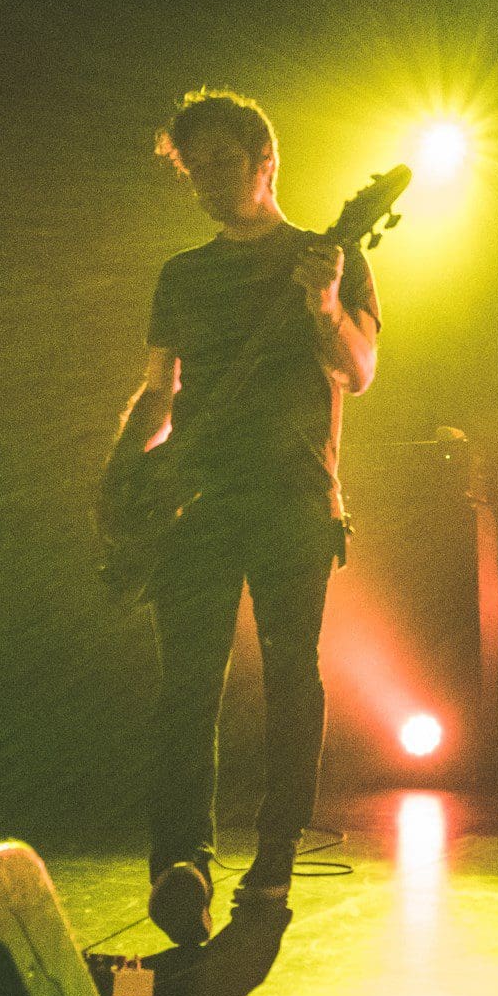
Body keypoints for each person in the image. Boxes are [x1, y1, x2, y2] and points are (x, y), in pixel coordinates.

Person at [105, 88, 379, 947]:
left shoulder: (327, 257)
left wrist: (324, 303)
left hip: (297, 496)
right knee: (186, 686)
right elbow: (160, 390)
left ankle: (275, 853)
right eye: (195, 170)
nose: (208, 182)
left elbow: (360, 370)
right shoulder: (182, 274)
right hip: (198, 499)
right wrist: (120, 473)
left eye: (222, 162)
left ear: (267, 161)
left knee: (292, 677)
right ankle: (180, 863)